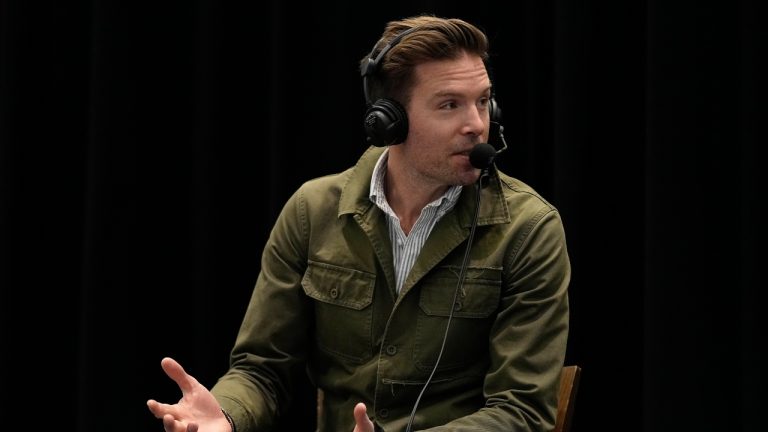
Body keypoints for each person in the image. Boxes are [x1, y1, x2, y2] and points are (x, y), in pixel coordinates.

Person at [147, 14, 570, 432]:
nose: (477, 125)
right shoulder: (312, 212)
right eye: (449, 105)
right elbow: (262, 368)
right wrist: (226, 414)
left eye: (483, 101)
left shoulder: (528, 229)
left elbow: (522, 410)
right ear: (389, 120)